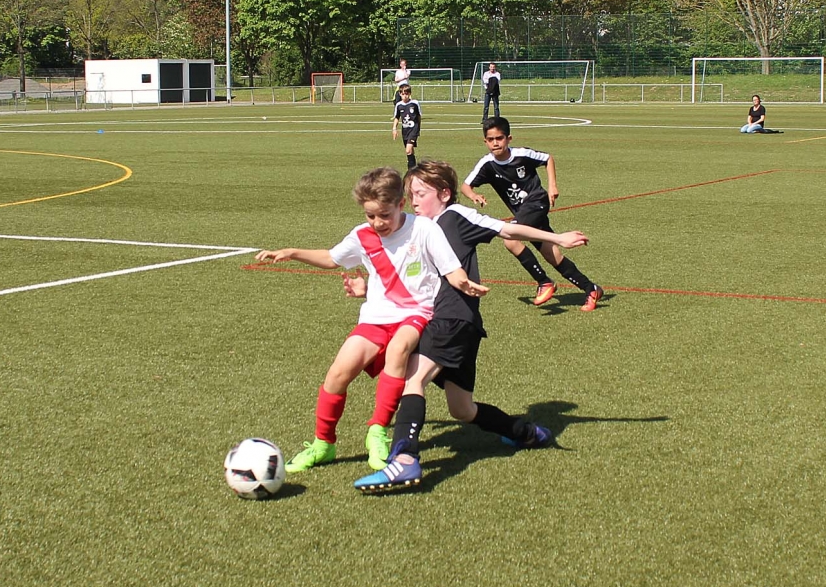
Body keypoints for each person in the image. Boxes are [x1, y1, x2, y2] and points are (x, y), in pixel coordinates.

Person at [352, 160, 591, 492]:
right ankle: (525, 432)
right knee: (462, 409)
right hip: (450, 322)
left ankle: (404, 459)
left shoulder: (457, 216)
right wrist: (369, 289)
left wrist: (557, 238)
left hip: (452, 318)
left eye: (420, 193)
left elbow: (508, 229)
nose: (414, 201)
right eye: (411, 194)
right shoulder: (419, 229)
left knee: (412, 378)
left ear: (444, 194)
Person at [253, 167, 489, 474]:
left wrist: (463, 283)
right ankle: (323, 444)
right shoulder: (361, 236)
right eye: (370, 216)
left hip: (416, 313)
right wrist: (292, 252)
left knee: (398, 350)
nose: (377, 223)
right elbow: (331, 258)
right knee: (338, 372)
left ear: (401, 204)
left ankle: (377, 433)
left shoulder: (424, 229)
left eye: (384, 215)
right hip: (376, 316)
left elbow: (450, 267)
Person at [461, 116, 604, 311]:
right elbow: (465, 186)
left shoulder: (521, 155)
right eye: (491, 139)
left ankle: (544, 282)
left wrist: (552, 186)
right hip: (523, 212)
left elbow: (548, 158)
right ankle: (591, 289)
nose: (495, 143)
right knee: (551, 254)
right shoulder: (486, 164)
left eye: (499, 138)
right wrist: (474, 195)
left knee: (509, 238)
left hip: (537, 202)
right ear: (485, 141)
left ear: (508, 138)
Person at [392, 85, 422, 170]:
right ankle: (415, 168)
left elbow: (419, 117)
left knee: (408, 150)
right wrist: (394, 129)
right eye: (403, 94)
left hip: (414, 130)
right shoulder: (399, 105)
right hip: (405, 131)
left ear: (410, 94)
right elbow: (397, 117)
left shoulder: (415, 103)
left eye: (407, 94)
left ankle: (410, 171)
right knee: (410, 151)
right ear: (400, 94)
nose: (405, 96)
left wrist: (418, 129)